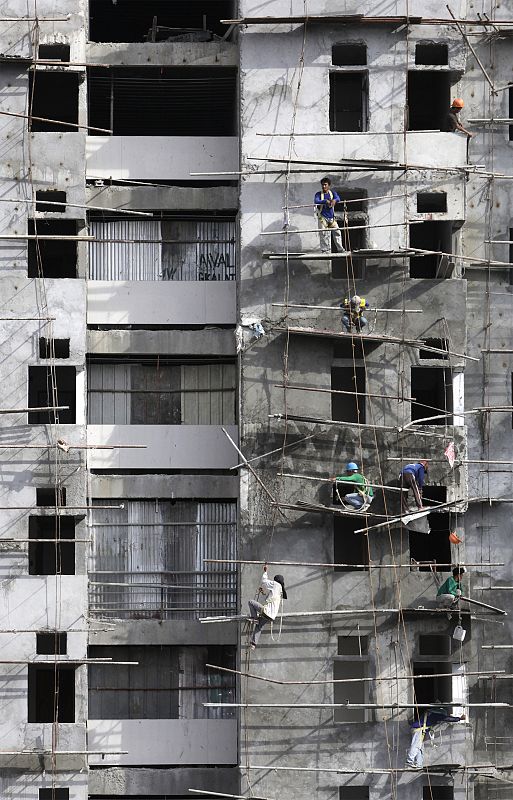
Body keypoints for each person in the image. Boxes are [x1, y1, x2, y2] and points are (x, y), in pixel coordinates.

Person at [247, 564, 287, 650]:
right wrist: (263, 592)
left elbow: (264, 581)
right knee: (259, 626)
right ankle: (253, 644)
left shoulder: (276, 585)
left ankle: (255, 618)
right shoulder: (279, 592)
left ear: (276, 580)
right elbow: (269, 598)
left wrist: (265, 571)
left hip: (266, 612)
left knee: (251, 602)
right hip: (271, 616)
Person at [314, 177, 345, 254]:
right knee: (323, 234)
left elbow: (338, 198)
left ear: (329, 185)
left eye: (325, 185)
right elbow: (316, 201)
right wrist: (325, 201)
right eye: (322, 185)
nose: (323, 186)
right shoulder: (318, 194)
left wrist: (335, 200)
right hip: (322, 217)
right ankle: (325, 250)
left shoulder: (332, 193)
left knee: (337, 232)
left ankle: (340, 249)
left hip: (331, 218)